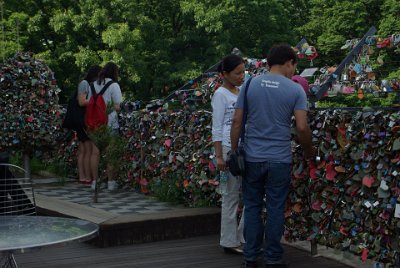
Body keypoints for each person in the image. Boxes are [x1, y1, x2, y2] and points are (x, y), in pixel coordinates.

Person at [230, 44, 315, 268]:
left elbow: (237, 121)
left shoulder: (249, 84)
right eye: (294, 67)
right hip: (279, 159)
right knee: (276, 208)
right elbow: (302, 127)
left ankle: (250, 256)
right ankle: (273, 258)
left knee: (253, 206)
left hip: (252, 157)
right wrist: (308, 151)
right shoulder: (296, 90)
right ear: (289, 62)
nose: (293, 72)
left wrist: (234, 149)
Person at [212, 54, 245, 255]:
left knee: (249, 195)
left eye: (243, 72)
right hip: (226, 147)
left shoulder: (241, 91)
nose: (242, 76)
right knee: (230, 196)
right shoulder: (220, 94)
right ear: (225, 74)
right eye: (238, 72)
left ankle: (242, 236)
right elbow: (216, 126)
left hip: (242, 148)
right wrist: (219, 156)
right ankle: (229, 240)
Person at [88, 62, 123, 191]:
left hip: (95, 124)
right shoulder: (114, 85)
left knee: (95, 153)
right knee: (111, 153)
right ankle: (111, 182)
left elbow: (89, 103)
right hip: (110, 123)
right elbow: (118, 106)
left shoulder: (93, 85)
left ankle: (95, 182)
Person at [76, 65, 101, 185]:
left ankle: (83, 177)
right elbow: (81, 101)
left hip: (81, 119)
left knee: (84, 150)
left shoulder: (85, 83)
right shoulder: (85, 83)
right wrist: (95, 101)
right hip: (83, 120)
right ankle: (86, 177)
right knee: (86, 150)